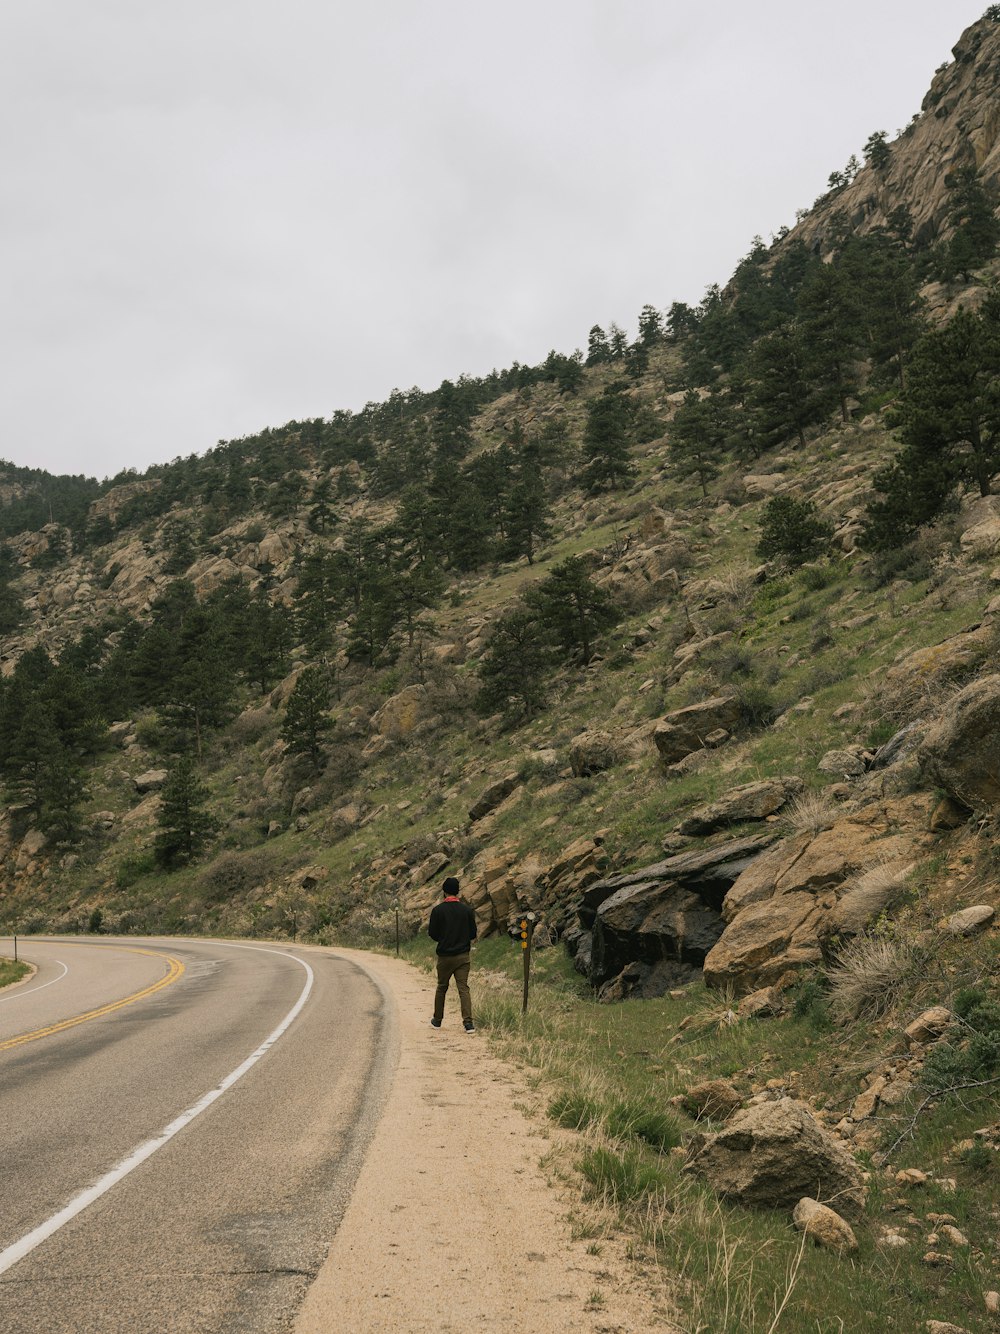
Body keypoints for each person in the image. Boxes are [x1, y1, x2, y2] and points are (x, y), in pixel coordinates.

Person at [427, 875, 477, 1032]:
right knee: (463, 988)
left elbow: (432, 933)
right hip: (463, 956)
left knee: (442, 987)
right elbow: (473, 933)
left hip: (445, 957)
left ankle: (437, 1020)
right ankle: (468, 1023)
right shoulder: (467, 911)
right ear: (458, 892)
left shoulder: (437, 911)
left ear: (444, 892)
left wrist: (444, 939)